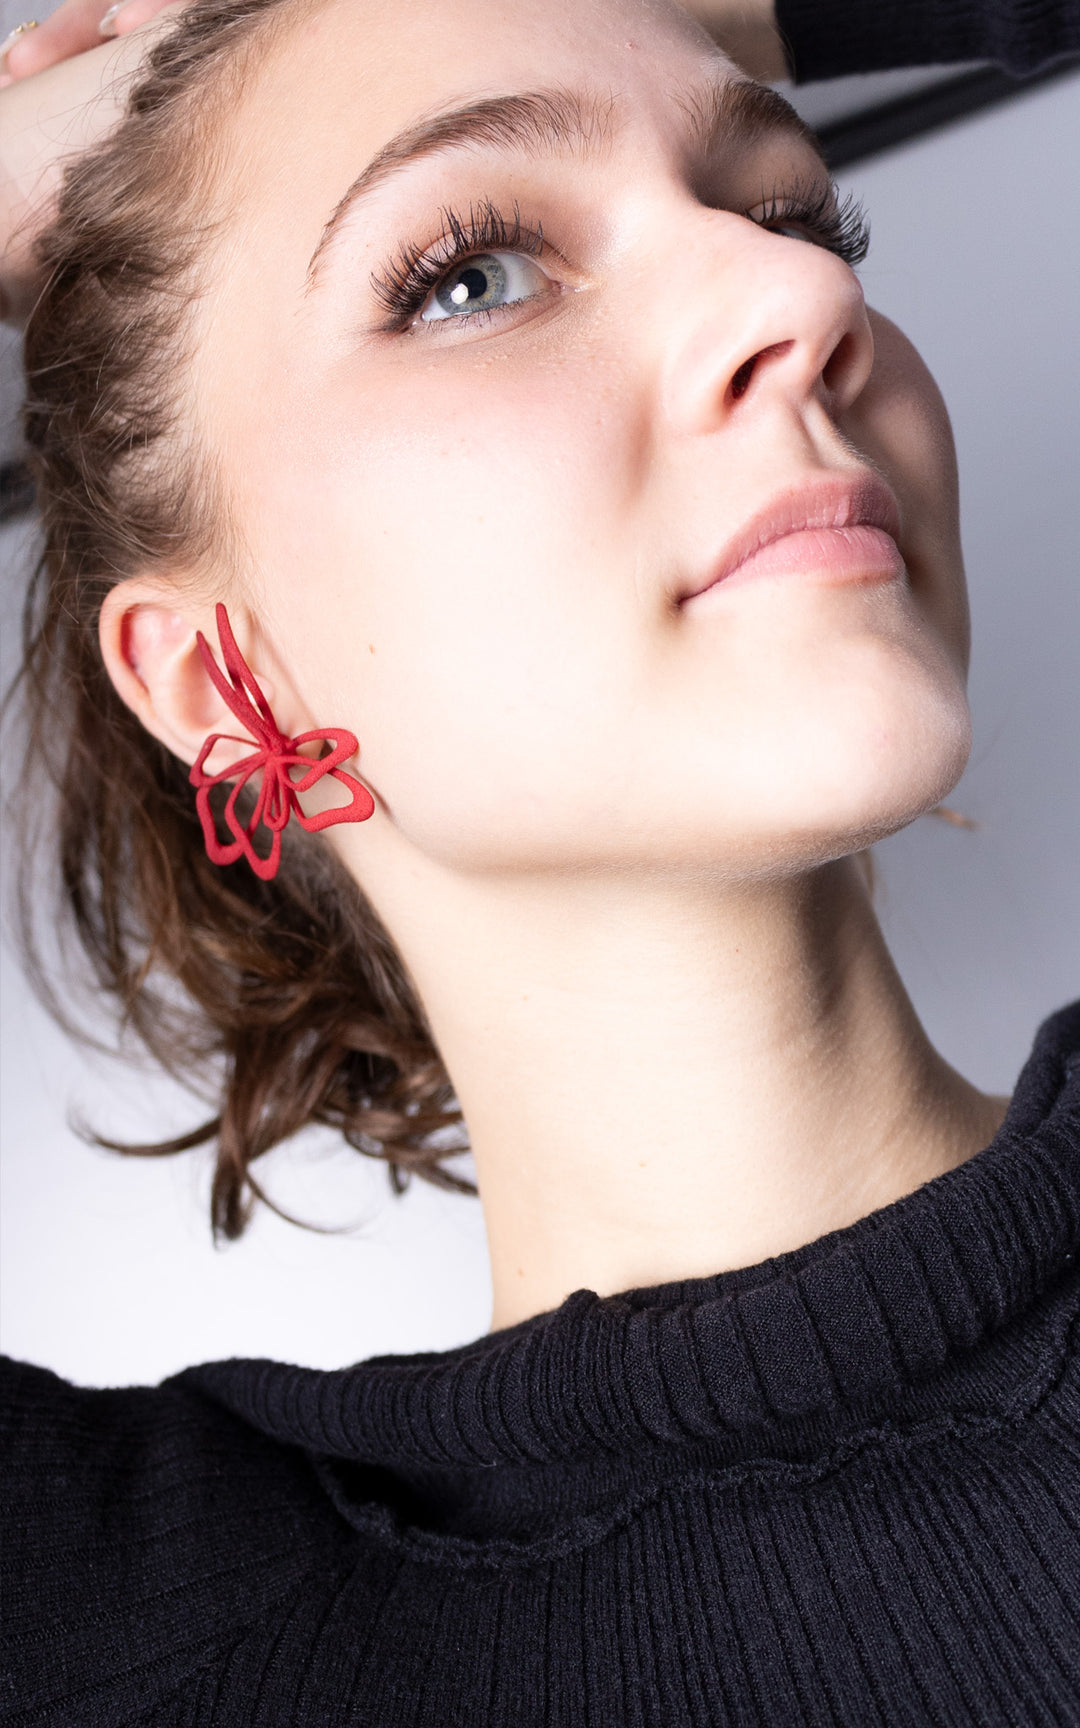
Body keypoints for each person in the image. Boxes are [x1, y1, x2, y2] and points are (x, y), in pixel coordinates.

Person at [1, 0, 1077, 1721]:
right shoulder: (121, 1633)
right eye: (470, 274)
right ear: (223, 679)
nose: (800, 297)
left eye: (794, 213)